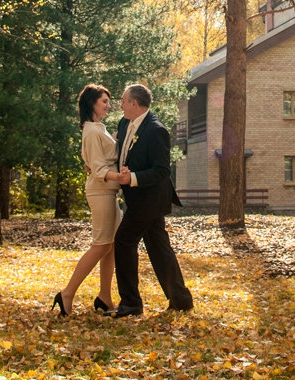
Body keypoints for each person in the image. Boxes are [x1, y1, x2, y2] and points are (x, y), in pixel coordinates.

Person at [108, 83, 193, 318]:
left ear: (135, 103)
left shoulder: (156, 130)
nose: (121, 104)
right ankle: (181, 299)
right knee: (158, 248)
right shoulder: (125, 124)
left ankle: (131, 304)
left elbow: (161, 171)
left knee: (124, 242)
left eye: (123, 100)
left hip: (150, 199)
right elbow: (121, 155)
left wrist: (132, 178)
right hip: (135, 198)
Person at [52, 84, 127, 316]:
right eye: (104, 101)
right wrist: (123, 177)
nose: (108, 105)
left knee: (112, 244)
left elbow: (101, 159)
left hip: (109, 192)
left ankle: (105, 296)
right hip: (100, 191)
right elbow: (96, 168)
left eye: (109, 101)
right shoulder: (92, 130)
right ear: (91, 103)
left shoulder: (98, 128)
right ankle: (67, 294)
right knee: (101, 244)